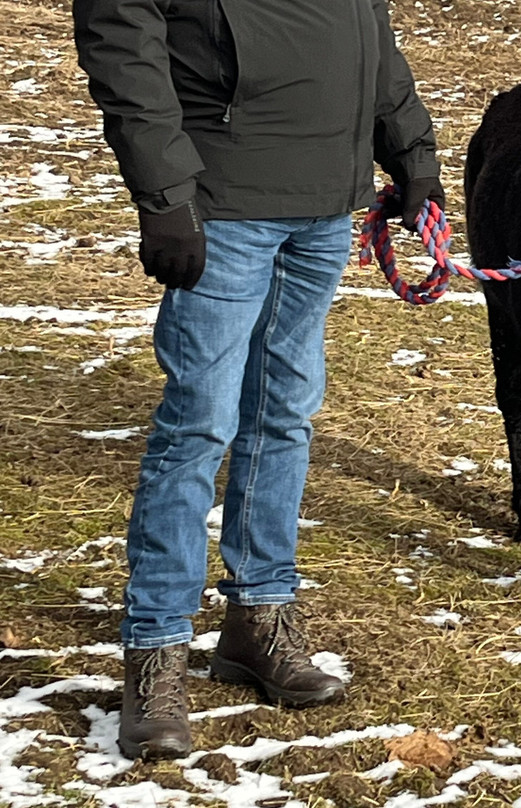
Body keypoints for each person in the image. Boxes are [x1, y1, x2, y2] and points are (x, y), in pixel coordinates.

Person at [72, 0, 443, 760]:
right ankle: (157, 654)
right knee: (200, 424)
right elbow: (124, 53)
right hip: (222, 205)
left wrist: (409, 149)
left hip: (322, 210)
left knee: (284, 416)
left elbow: (368, 33)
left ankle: (258, 622)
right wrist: (165, 195)